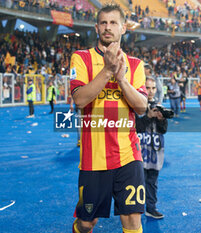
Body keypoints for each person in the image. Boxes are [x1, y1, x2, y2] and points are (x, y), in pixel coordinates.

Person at [70, 4, 148, 233]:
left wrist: (122, 80)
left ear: (123, 27)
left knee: (133, 220)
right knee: (87, 223)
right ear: (96, 27)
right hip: (94, 158)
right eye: (103, 22)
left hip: (129, 155)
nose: (108, 27)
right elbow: (80, 100)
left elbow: (142, 107)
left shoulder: (135, 65)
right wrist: (107, 70)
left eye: (114, 22)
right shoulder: (81, 59)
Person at [136, 77, 167, 219]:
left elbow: (164, 130)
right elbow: (137, 128)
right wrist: (148, 116)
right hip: (140, 151)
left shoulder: (158, 105)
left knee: (152, 182)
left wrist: (161, 119)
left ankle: (151, 207)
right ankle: (135, 210)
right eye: (148, 88)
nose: (151, 91)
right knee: (138, 182)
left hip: (155, 151)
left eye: (153, 88)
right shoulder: (137, 105)